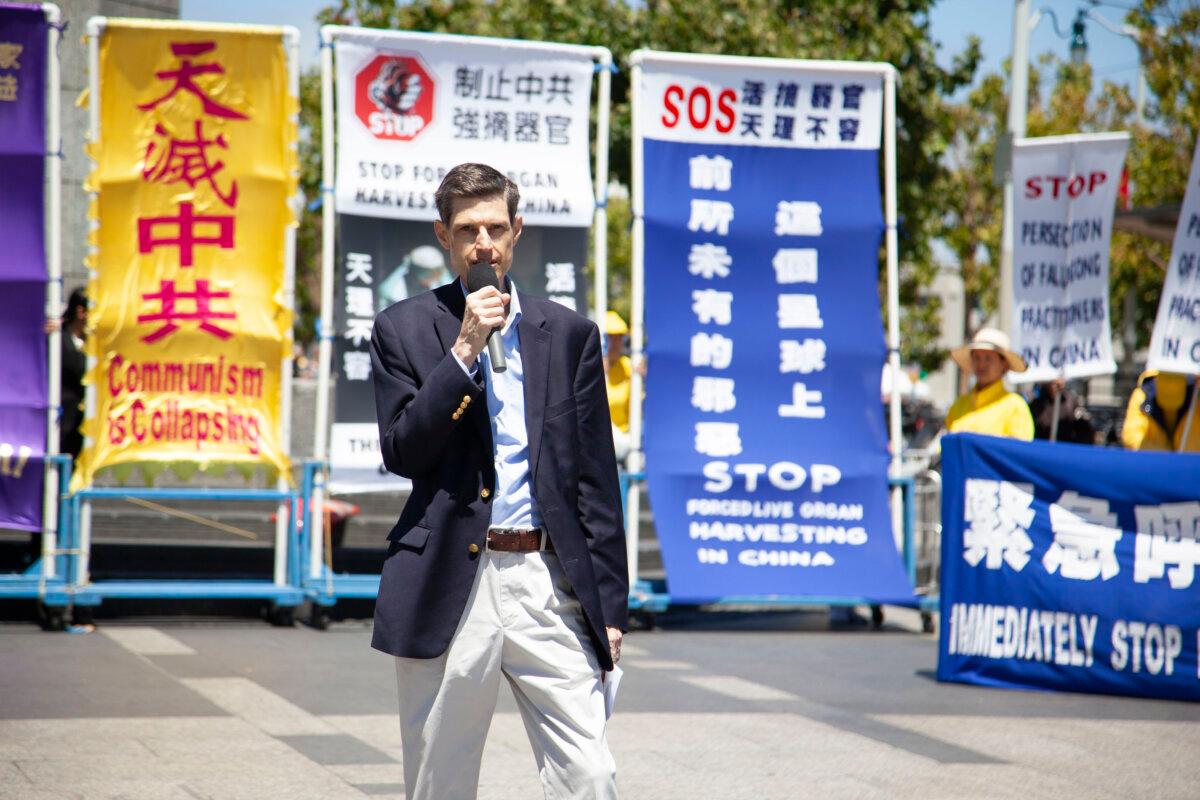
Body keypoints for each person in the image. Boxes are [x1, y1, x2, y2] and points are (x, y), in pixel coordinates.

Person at [369, 163, 627, 800]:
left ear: (517, 232)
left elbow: (595, 477)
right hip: (451, 583)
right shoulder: (403, 328)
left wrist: (611, 607)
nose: (482, 243)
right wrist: (463, 352)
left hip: (547, 582)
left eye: (494, 227)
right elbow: (404, 450)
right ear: (443, 237)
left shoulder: (569, 335)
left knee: (589, 773)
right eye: (466, 230)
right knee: (440, 781)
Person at [943, 327, 1034, 441]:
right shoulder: (958, 405)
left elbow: (1018, 452)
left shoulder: (1015, 406)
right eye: (977, 357)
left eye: (988, 358)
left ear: (1004, 364)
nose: (981, 364)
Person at [1121, 369, 1200, 452]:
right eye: (1167, 378)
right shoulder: (1143, 395)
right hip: (1154, 463)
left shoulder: (1196, 395)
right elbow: (1131, 436)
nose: (1171, 384)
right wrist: (1167, 458)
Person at [59, 288, 88, 462]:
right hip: (64, 419)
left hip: (84, 423)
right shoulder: (57, 339)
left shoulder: (93, 342)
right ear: (80, 312)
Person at [603, 310, 633, 461]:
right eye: (610, 338)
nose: (615, 344)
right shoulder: (588, 366)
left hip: (624, 440)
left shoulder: (629, 368)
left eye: (619, 338)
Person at [1029, 379, 1095, 444]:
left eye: (1060, 384)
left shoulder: (1071, 401)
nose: (1056, 387)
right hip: (1043, 445)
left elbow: (1084, 428)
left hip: (1065, 446)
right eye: (1053, 384)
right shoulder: (1036, 405)